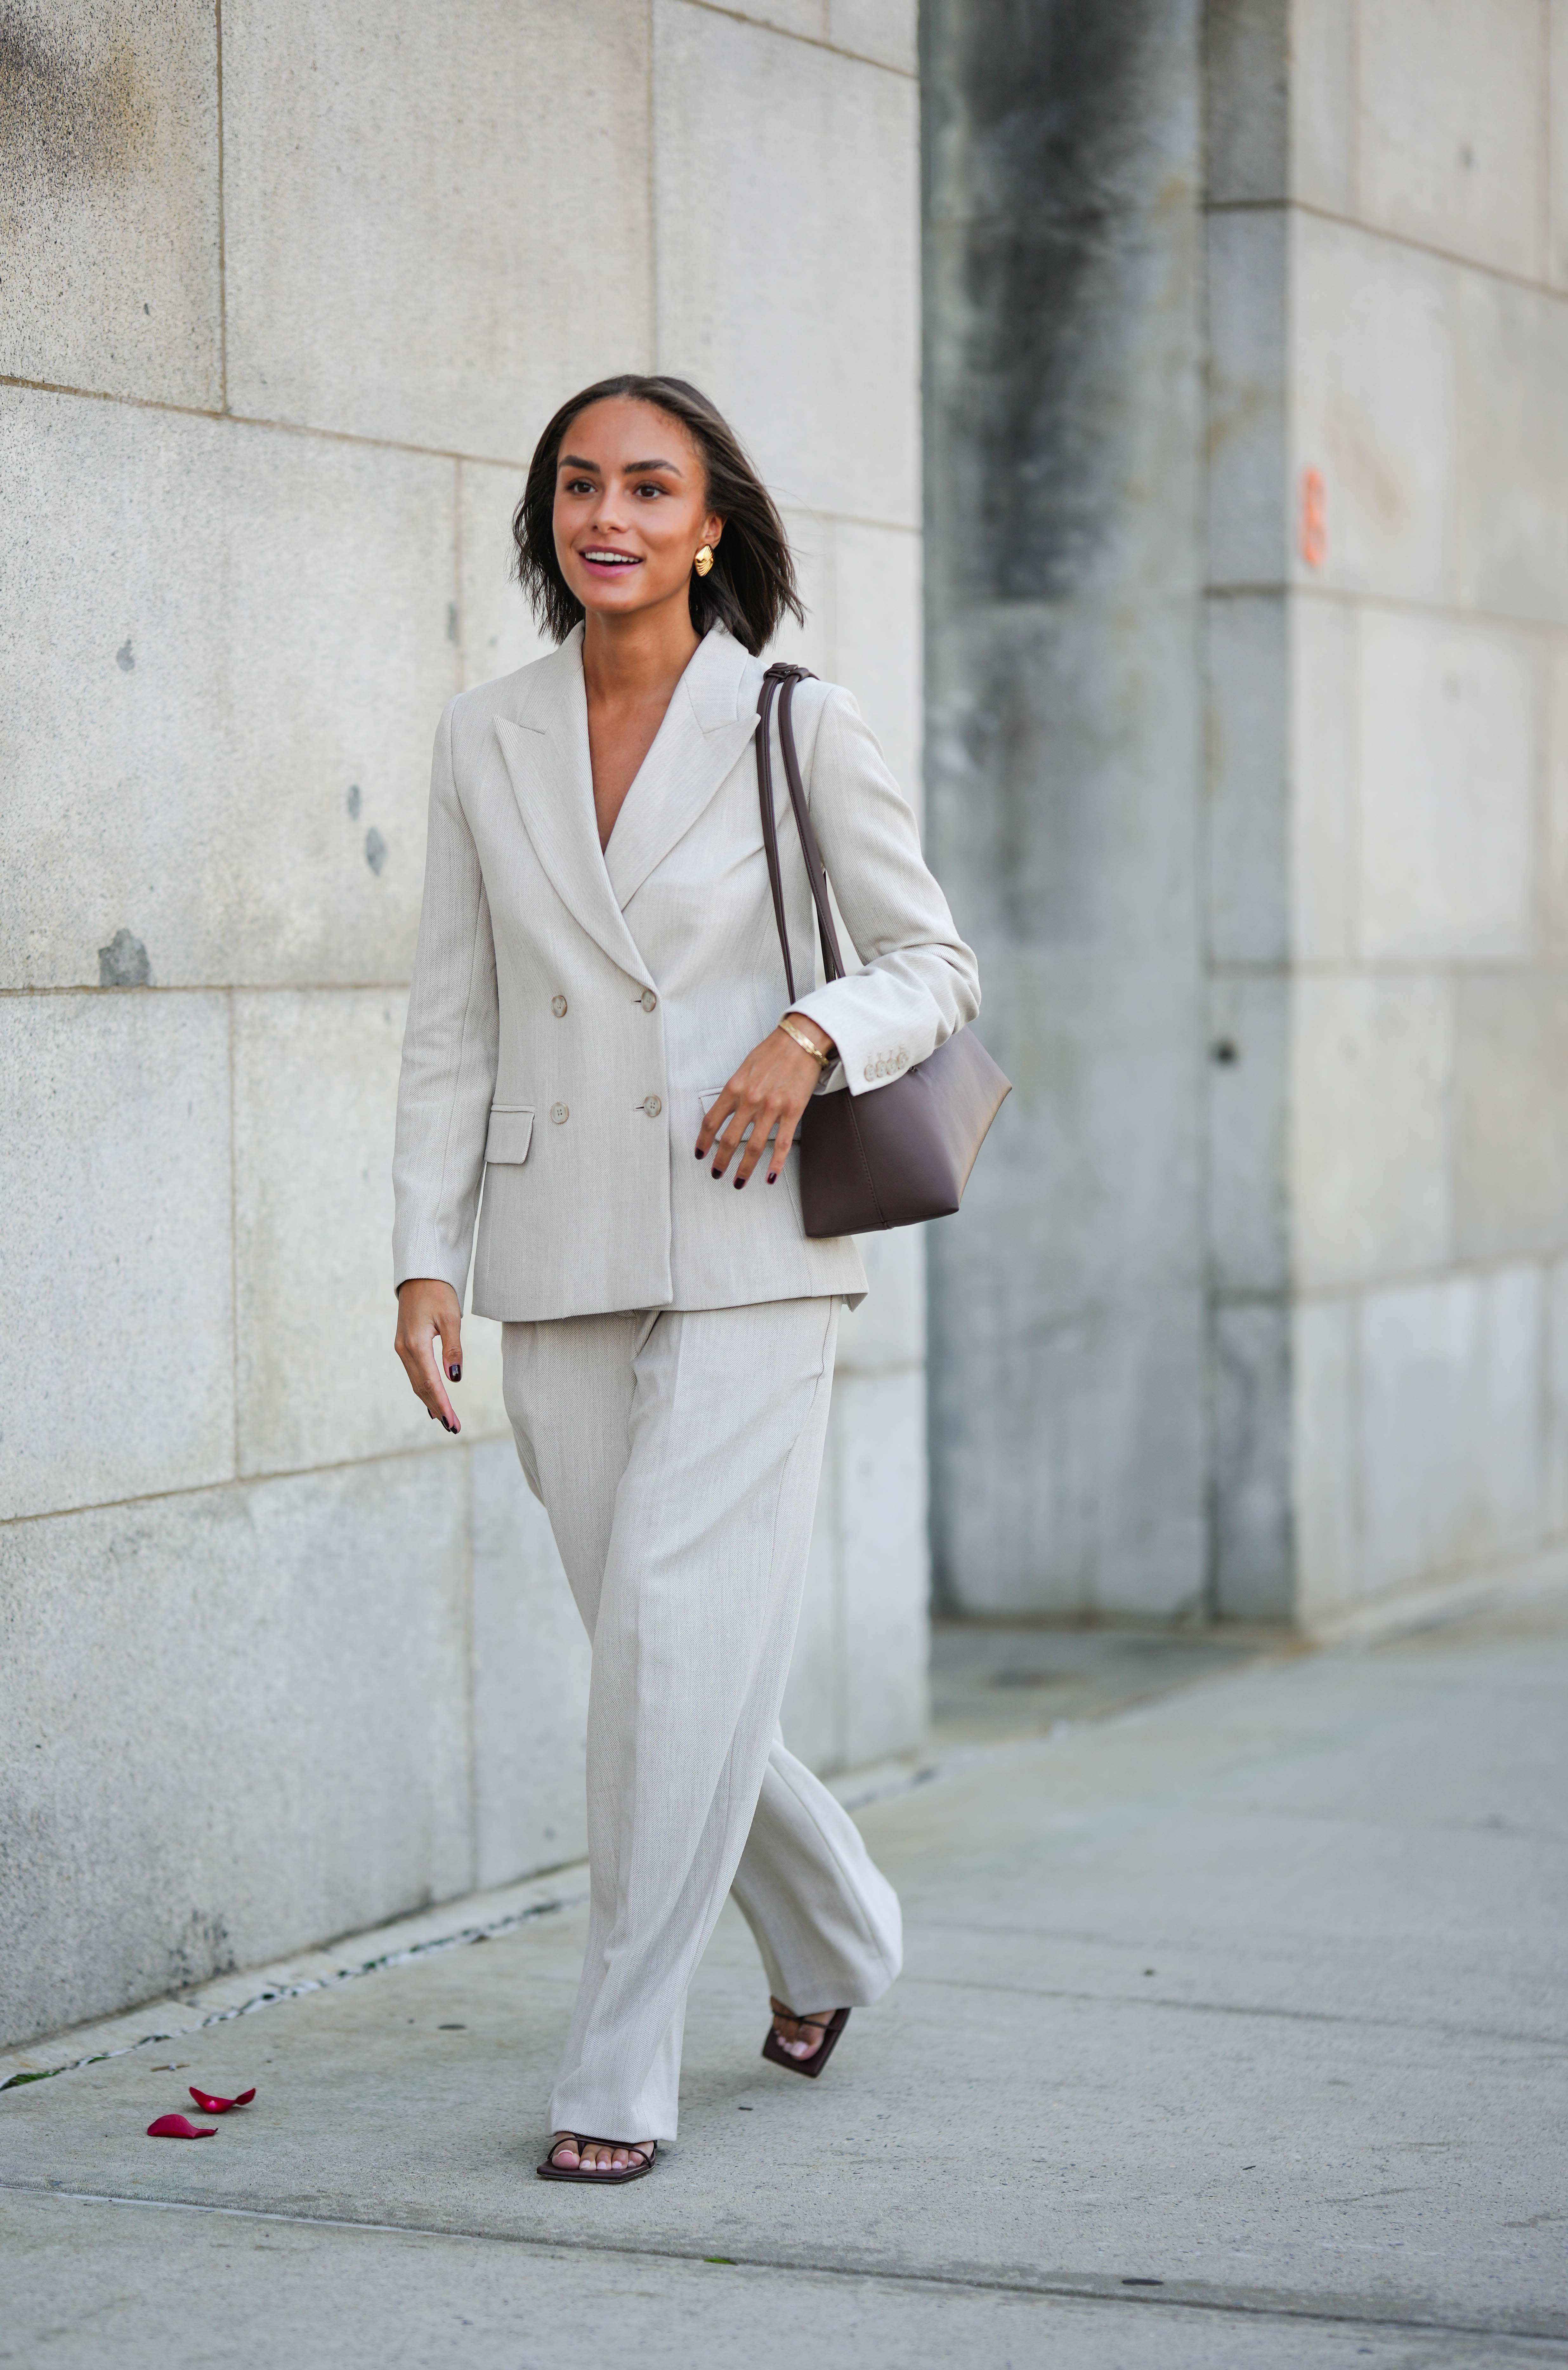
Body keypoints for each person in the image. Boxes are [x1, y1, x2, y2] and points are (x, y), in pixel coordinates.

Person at [391, 373, 979, 2181]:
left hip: (750, 1241)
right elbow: (452, 1020)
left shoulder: (795, 722)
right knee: (667, 1657)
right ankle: (837, 1937)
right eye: (580, 485)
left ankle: (614, 2077)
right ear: (549, 517)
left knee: (668, 1647)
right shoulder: (486, 735)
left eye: (650, 487)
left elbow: (933, 963)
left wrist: (810, 1029)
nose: (610, 516)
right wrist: (422, 1257)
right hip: (554, 1243)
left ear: (711, 521)